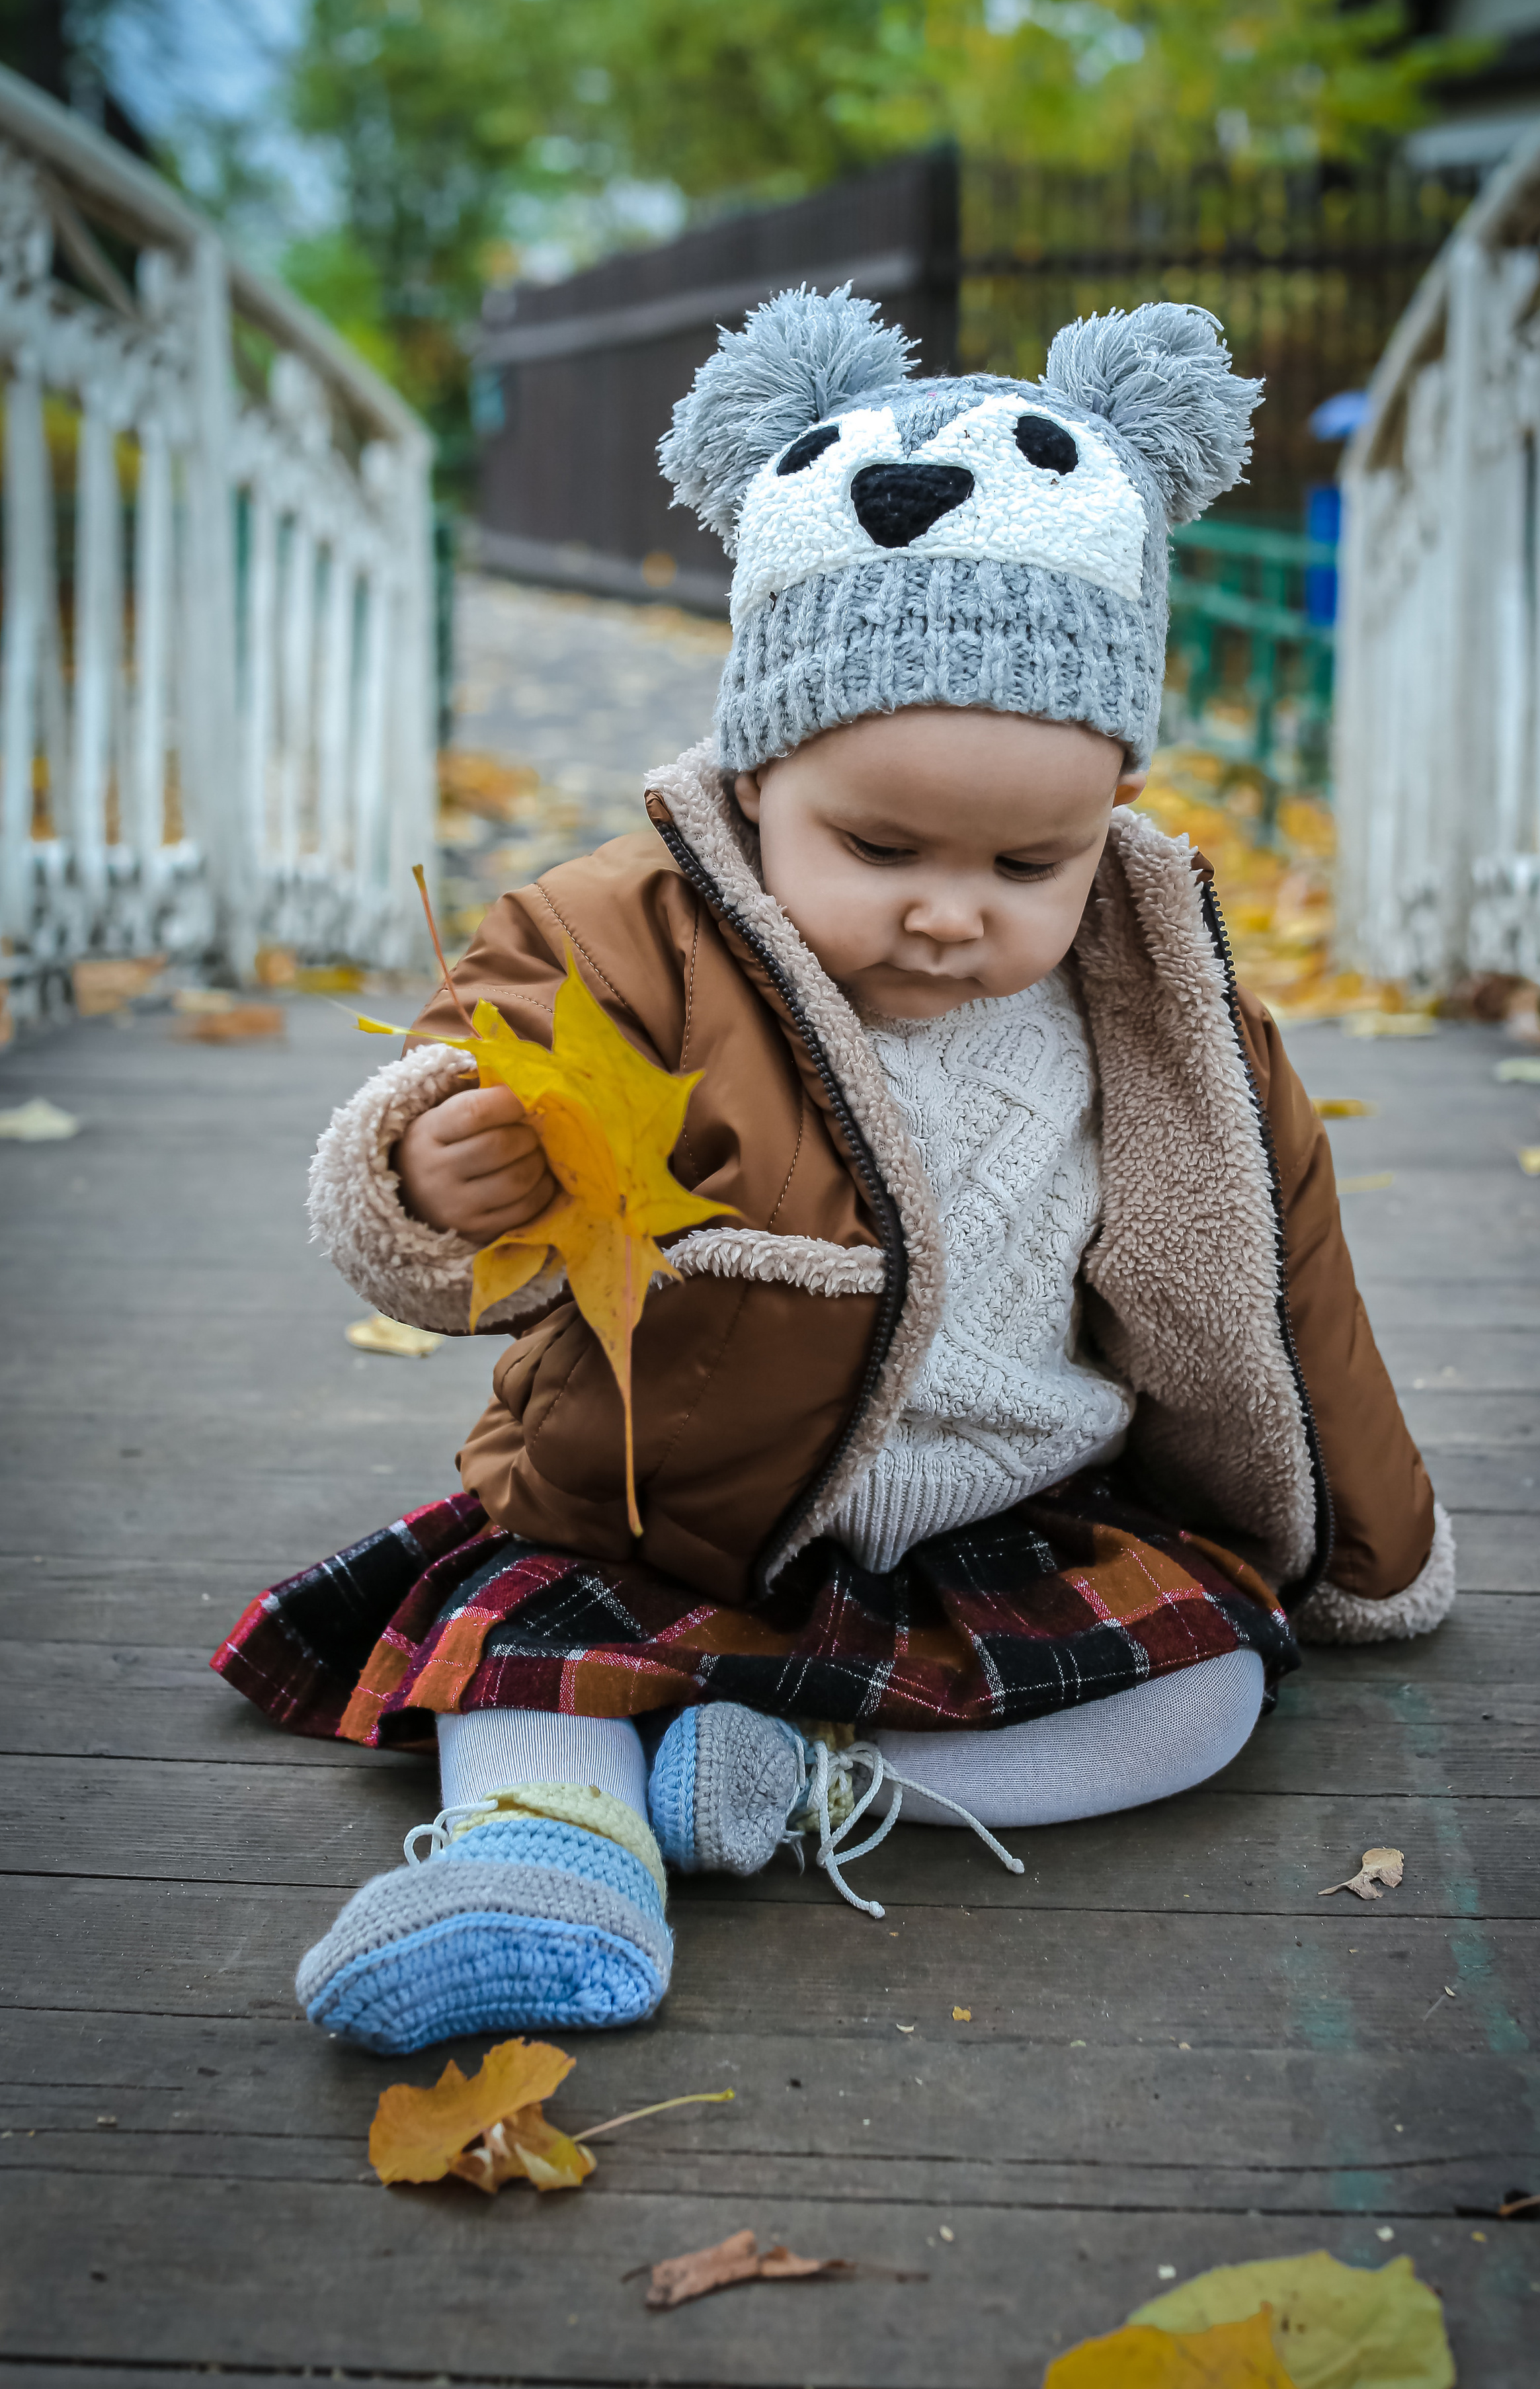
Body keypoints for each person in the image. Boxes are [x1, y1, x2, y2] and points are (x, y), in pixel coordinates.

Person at [215, 290, 1451, 2056]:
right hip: (673, 1501)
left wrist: (1375, 1548)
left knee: (1198, 1697)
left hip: (1014, 1510)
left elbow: (1284, 1270)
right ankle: (534, 1859)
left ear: (1110, 812)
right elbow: (467, 1080)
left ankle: (807, 1780)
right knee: (527, 1650)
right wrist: (432, 1167)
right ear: (759, 773)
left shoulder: (1161, 1001)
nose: (952, 910)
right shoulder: (622, 935)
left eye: (1030, 858)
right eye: (877, 847)